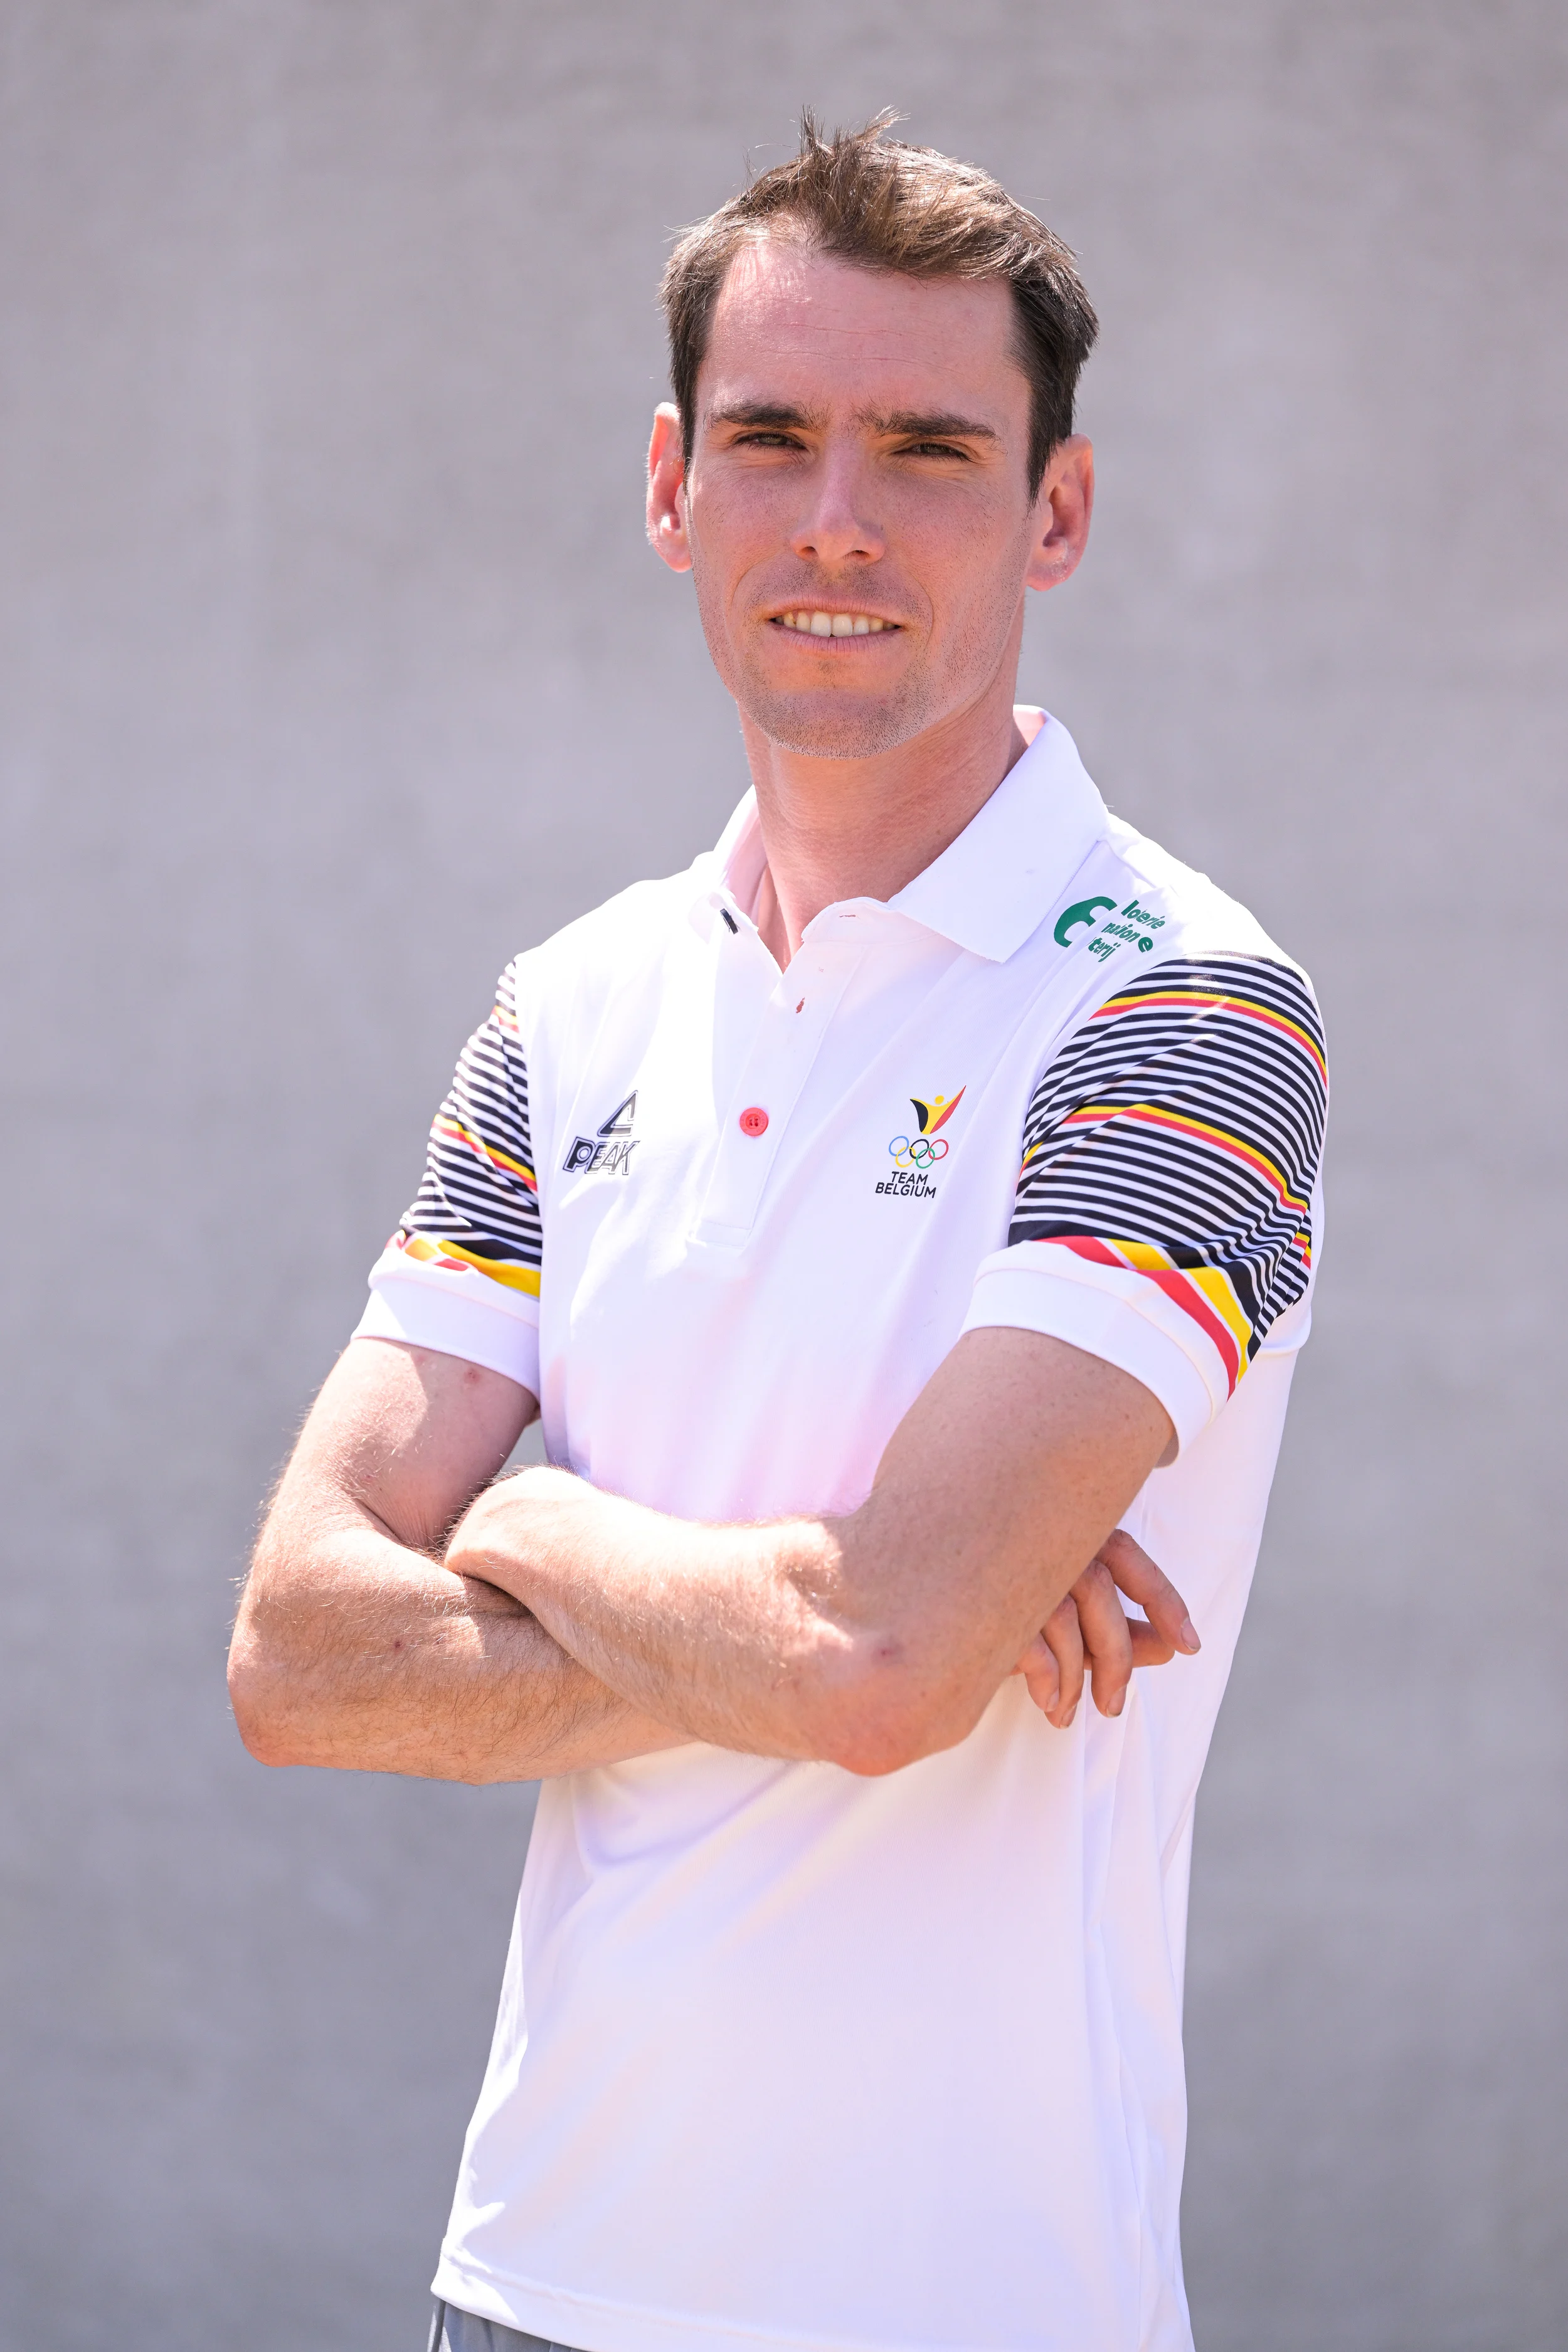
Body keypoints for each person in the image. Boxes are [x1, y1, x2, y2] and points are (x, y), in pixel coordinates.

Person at [230, 113, 1327, 2352]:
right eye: (770, 438)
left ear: (1056, 509)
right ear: (670, 489)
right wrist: (821, 1605)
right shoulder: (569, 1008)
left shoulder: (1183, 1007)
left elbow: (881, 1665)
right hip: (528, 2284)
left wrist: (532, 1523)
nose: (836, 518)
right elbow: (297, 1650)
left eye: (929, 446)